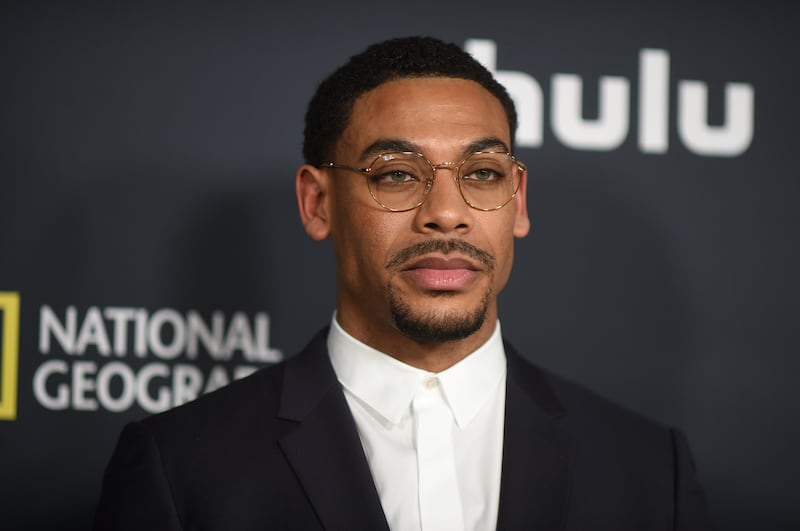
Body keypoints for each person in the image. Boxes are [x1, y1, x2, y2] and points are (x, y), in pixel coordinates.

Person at [93, 36, 714, 530]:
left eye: (483, 173)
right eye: (395, 174)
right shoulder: (181, 467)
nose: (447, 213)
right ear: (317, 203)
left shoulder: (650, 472)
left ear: (518, 201)